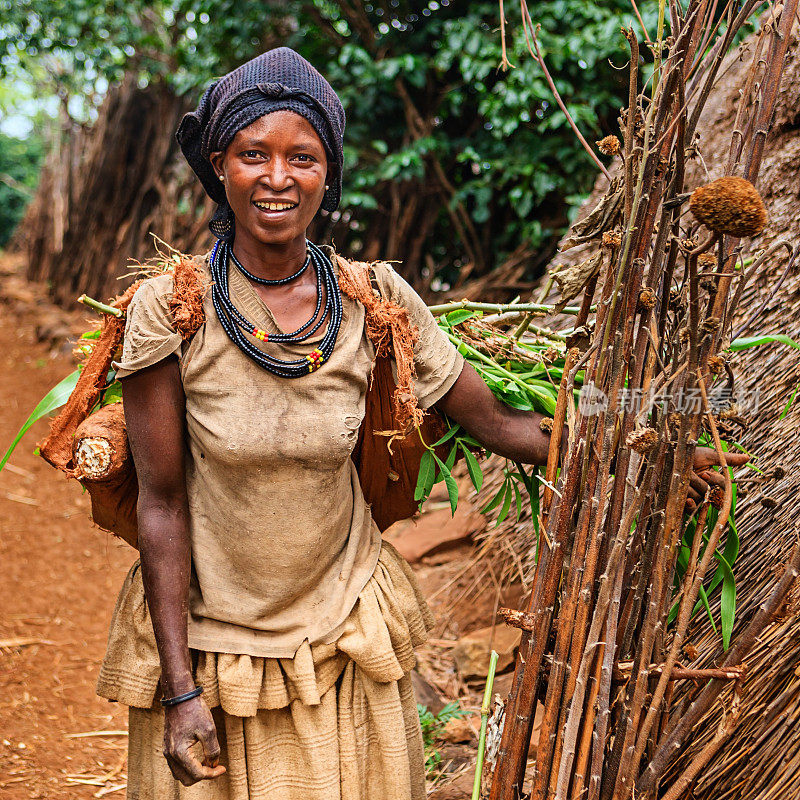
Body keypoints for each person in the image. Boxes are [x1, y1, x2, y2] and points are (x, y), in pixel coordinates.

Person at [95, 47, 745, 800]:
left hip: (343, 641)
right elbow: (162, 504)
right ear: (220, 167)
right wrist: (180, 692)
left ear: (327, 173)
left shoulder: (375, 303)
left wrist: (648, 445)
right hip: (215, 655)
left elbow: (502, 423)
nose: (278, 178)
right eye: (253, 155)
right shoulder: (173, 312)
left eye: (301, 157)